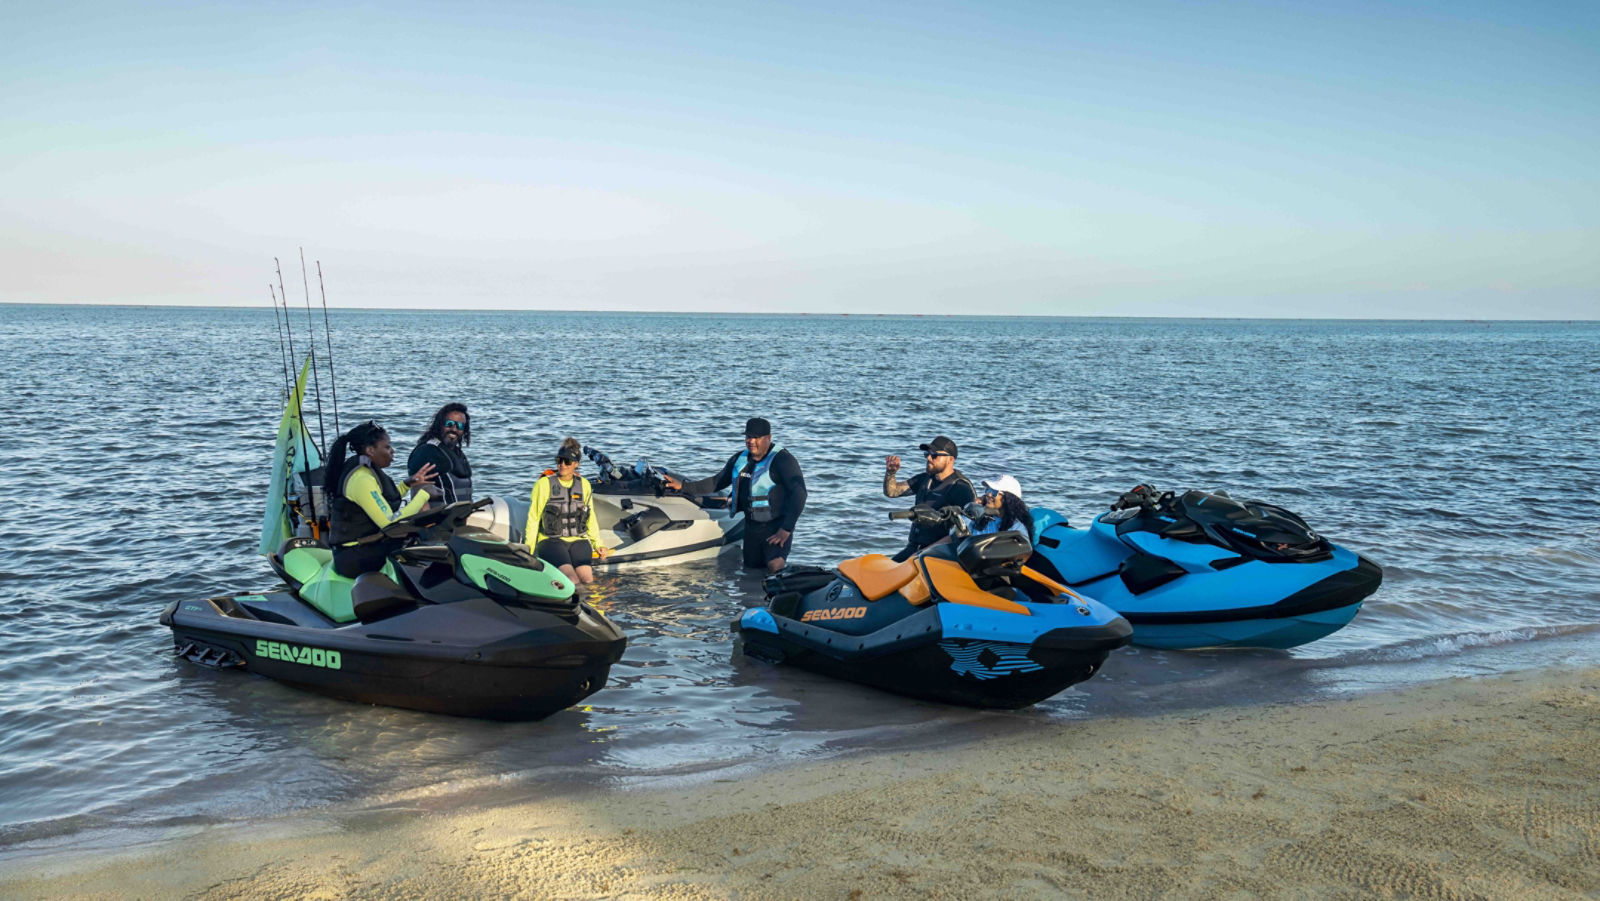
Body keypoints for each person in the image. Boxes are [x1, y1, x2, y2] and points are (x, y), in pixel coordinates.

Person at [663, 417, 806, 573]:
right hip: (751, 528)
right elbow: (716, 482)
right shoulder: (740, 459)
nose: (751, 441)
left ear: (768, 438)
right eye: (748, 437)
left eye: (756, 437)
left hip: (776, 528)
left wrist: (786, 529)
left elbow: (800, 494)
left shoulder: (783, 460)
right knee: (749, 573)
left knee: (775, 566)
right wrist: (683, 486)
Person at [324, 420, 437, 578]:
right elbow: (388, 522)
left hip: (365, 548)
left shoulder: (366, 472)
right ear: (370, 450)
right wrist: (424, 495)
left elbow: (381, 502)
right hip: (354, 557)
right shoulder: (361, 479)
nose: (393, 451)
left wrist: (408, 484)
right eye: (387, 447)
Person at [526, 437, 610, 585]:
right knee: (572, 579)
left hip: (578, 541)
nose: (562, 465)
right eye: (559, 461)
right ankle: (573, 606)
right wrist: (528, 550)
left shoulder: (584, 485)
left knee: (588, 580)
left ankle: (586, 605)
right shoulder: (543, 484)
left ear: (576, 464)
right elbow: (533, 518)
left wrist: (598, 544)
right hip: (551, 541)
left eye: (567, 462)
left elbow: (590, 517)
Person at [883, 435, 976, 561]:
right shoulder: (925, 478)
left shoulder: (961, 487)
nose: (928, 458)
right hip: (914, 548)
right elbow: (892, 492)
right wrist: (890, 473)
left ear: (950, 459)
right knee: (883, 572)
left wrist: (925, 552)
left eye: (934, 455)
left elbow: (968, 529)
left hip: (939, 554)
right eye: (927, 454)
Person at [407, 403, 472, 506]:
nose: (454, 429)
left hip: (462, 513)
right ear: (440, 424)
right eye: (449, 424)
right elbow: (416, 488)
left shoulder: (458, 453)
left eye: (459, 426)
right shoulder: (426, 451)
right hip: (441, 517)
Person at [970, 475, 1033, 541]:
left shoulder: (1017, 528)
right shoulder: (981, 519)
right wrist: (971, 510)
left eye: (994, 492)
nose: (988, 495)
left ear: (1008, 498)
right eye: (988, 490)